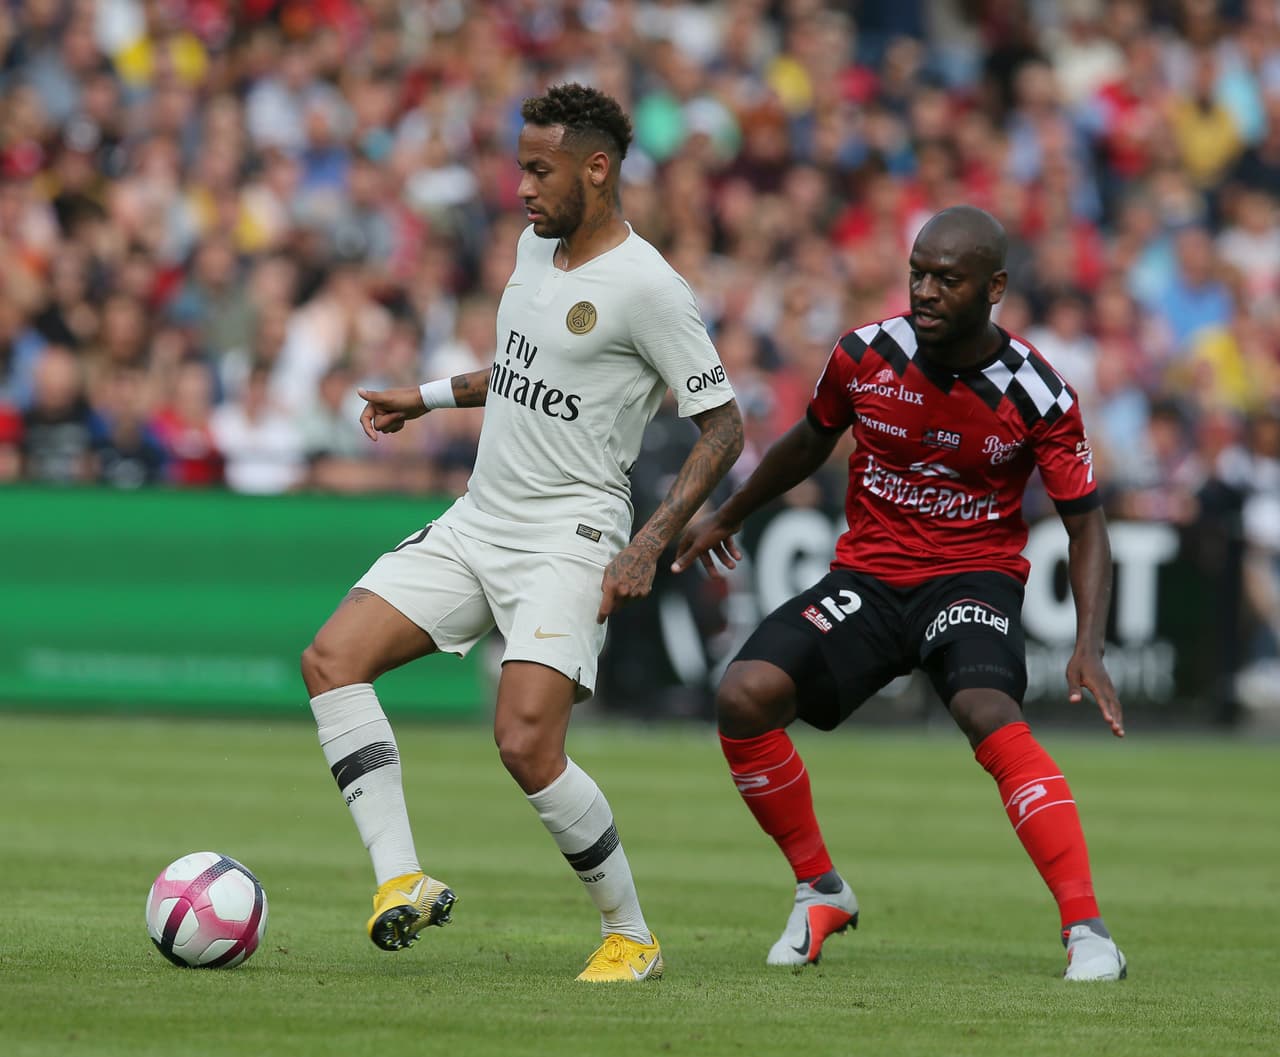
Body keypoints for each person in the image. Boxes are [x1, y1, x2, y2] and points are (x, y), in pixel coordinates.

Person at [301, 83, 743, 982]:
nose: (523, 189)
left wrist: (649, 541)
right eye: (519, 170)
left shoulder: (650, 288)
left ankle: (631, 934)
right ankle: (402, 881)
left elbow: (725, 426)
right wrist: (423, 399)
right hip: (482, 518)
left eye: (540, 171)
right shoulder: (531, 250)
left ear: (597, 167)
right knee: (331, 659)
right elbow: (519, 369)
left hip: (571, 534)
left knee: (527, 744)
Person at [674, 205, 1128, 982]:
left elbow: (1086, 526)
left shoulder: (1037, 392)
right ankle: (820, 889)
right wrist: (726, 513)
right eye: (918, 273)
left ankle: (1088, 931)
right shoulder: (865, 355)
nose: (924, 291)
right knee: (743, 695)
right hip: (870, 580)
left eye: (946, 280)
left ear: (995, 288)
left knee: (987, 711)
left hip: (972, 579)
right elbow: (808, 441)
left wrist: (1088, 644)